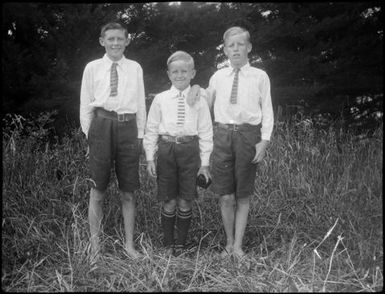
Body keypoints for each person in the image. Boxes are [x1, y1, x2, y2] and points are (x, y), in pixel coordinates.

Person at [192, 26, 274, 259]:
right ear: (225, 50)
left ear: (248, 48)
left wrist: (264, 141)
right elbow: (206, 100)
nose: (235, 49)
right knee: (225, 194)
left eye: (240, 44)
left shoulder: (260, 76)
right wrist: (197, 88)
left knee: (243, 195)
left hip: (249, 136)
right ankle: (228, 243)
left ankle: (238, 246)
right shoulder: (218, 76)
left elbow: (267, 110)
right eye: (231, 45)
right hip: (222, 136)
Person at [80, 22, 146, 260]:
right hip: (101, 126)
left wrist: (140, 136)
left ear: (127, 40)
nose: (116, 43)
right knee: (97, 189)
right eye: (111, 39)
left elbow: (140, 103)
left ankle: (129, 246)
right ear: (102, 41)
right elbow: (85, 104)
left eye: (120, 39)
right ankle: (95, 246)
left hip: (128, 127)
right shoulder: (92, 68)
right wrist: (91, 137)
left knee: (128, 191)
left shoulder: (135, 67)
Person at [143, 51, 213, 256]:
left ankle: (181, 244)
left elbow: (206, 132)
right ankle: (167, 244)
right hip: (166, 150)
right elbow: (152, 128)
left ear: (193, 73)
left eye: (184, 71)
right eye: (175, 71)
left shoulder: (200, 99)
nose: (179, 75)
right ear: (168, 74)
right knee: (169, 199)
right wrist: (149, 156)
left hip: (189, 150)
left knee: (185, 199)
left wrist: (205, 162)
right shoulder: (161, 99)